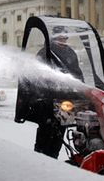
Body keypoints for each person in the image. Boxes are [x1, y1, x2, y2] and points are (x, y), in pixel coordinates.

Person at [32, 26, 84, 158]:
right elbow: (38, 77)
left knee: (59, 132)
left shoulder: (70, 52)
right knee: (46, 132)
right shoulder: (45, 52)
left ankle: (53, 158)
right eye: (61, 37)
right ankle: (40, 159)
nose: (63, 39)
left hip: (66, 100)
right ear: (54, 37)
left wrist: (81, 89)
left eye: (65, 36)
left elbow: (77, 73)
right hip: (48, 101)